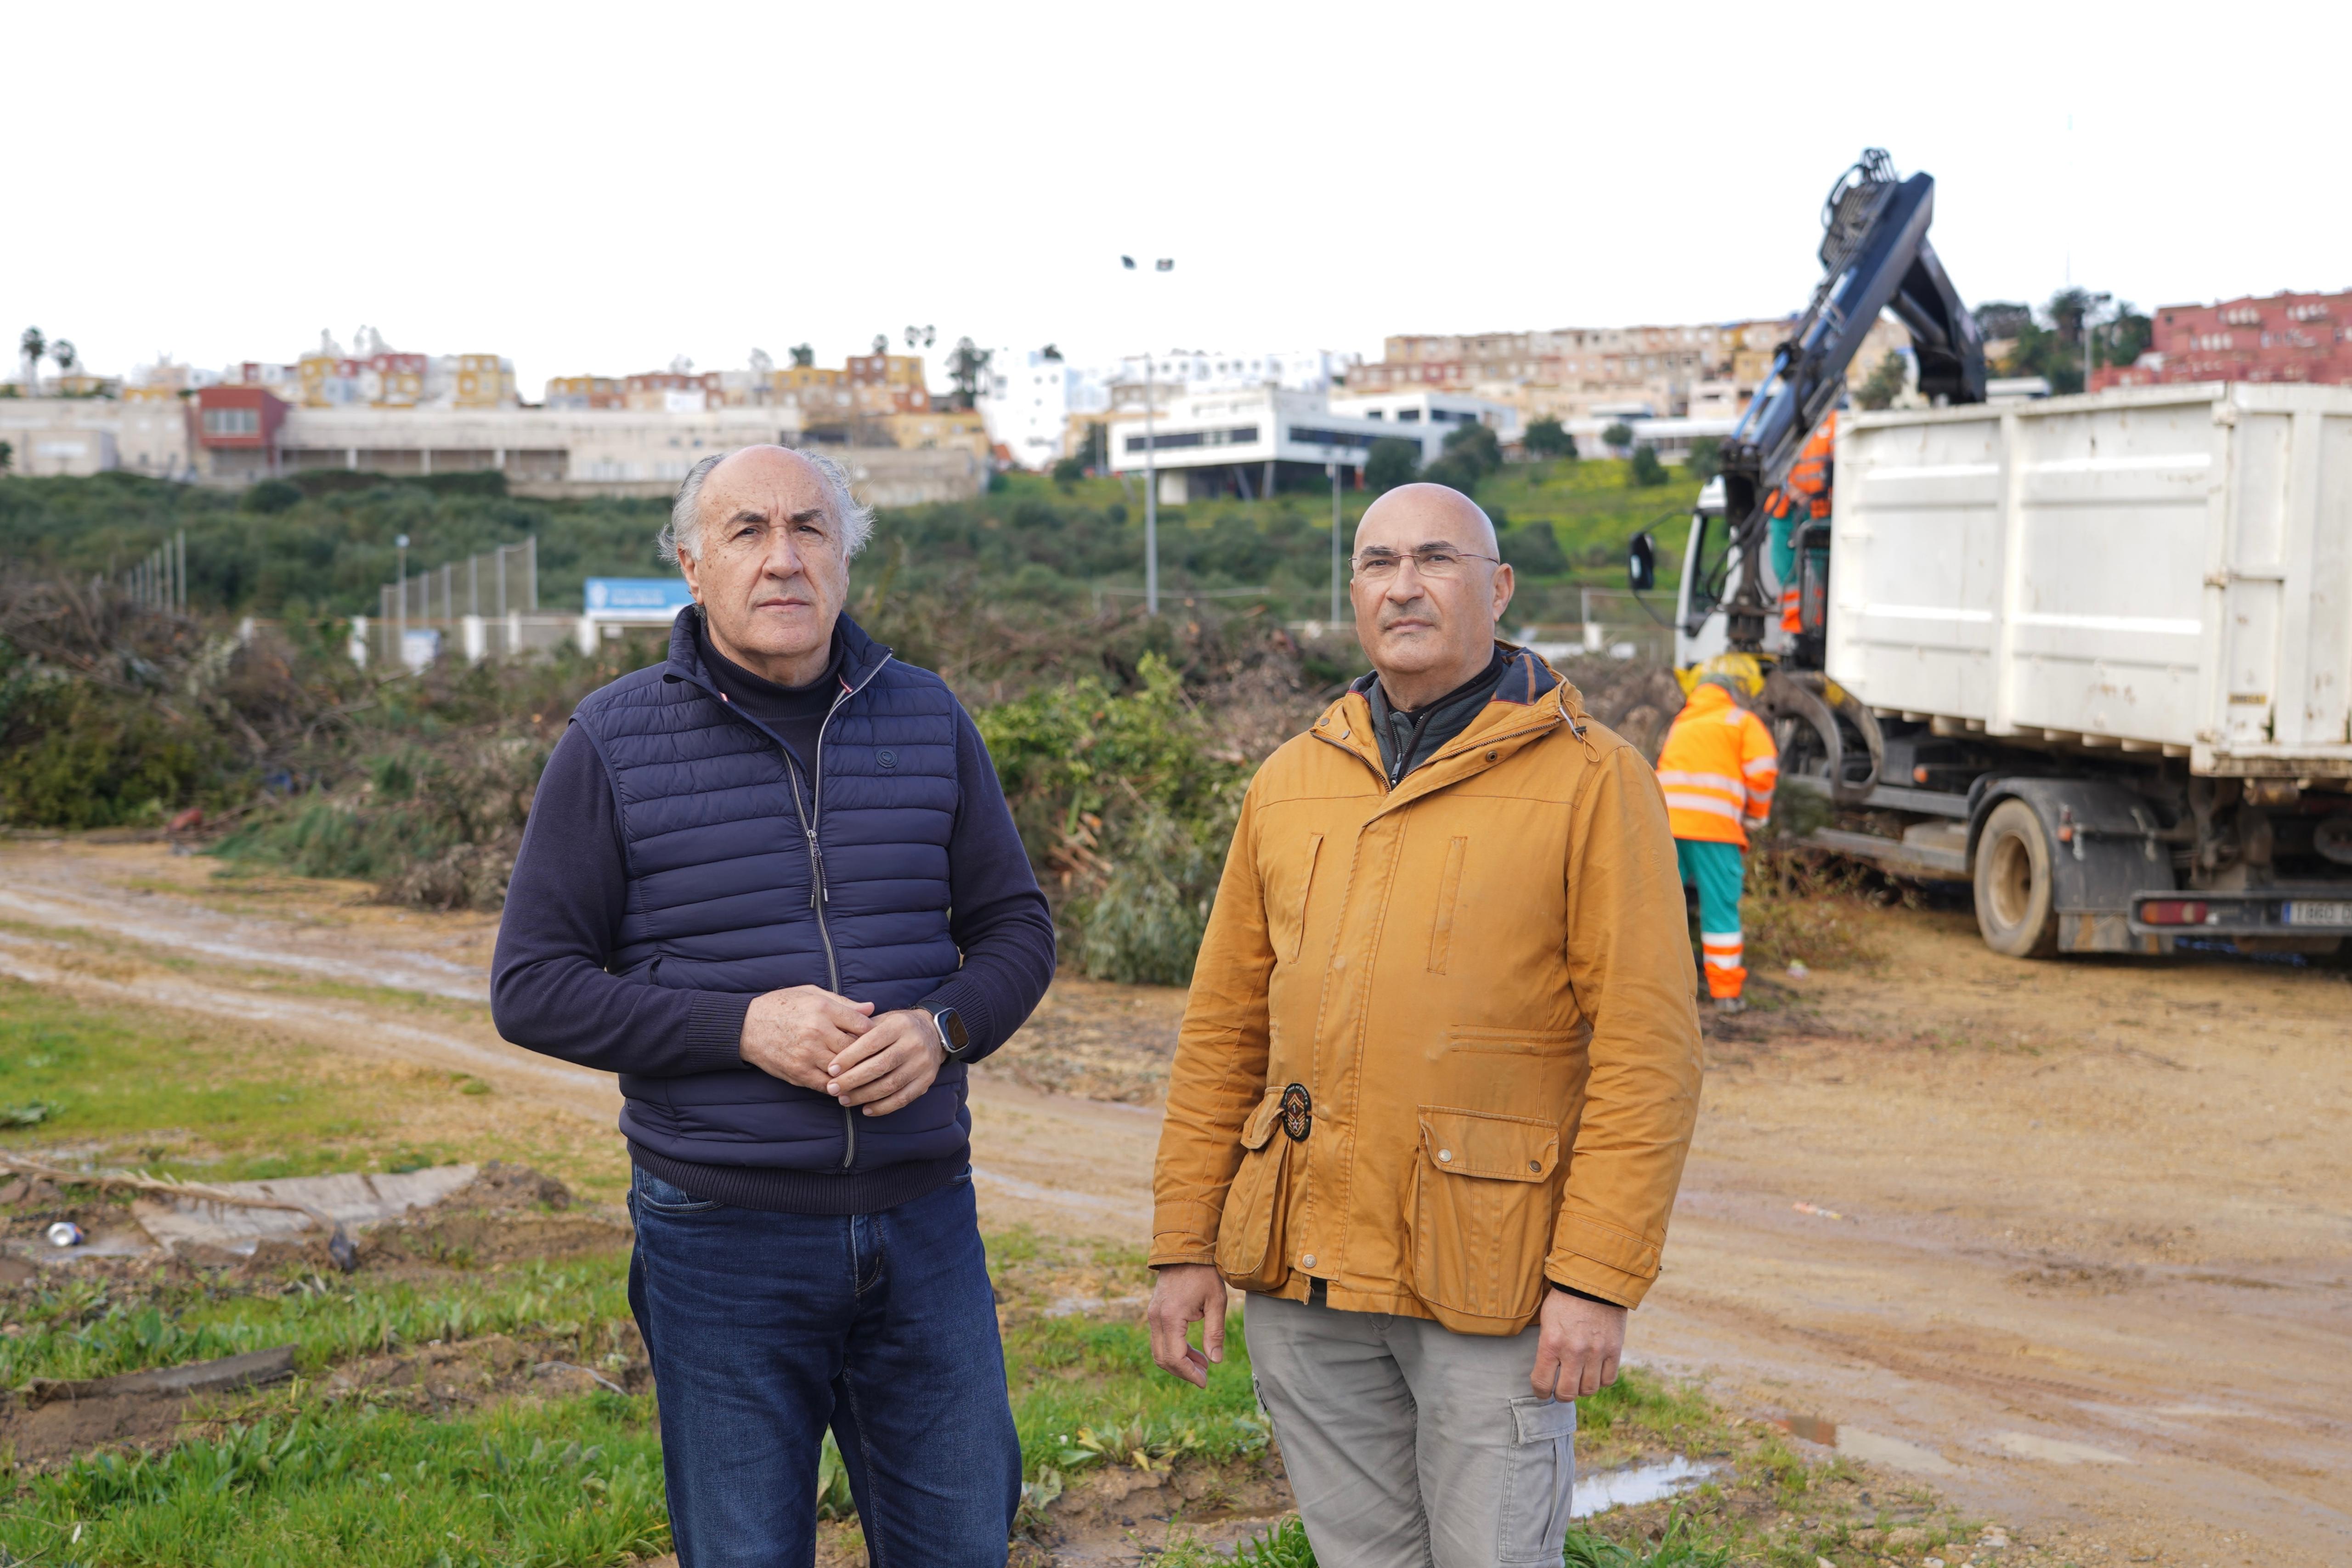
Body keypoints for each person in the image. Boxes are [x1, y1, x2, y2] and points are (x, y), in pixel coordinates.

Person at [491, 445, 1056, 1568]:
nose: (784, 557)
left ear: (845, 560)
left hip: (925, 1222)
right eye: (748, 532)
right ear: (693, 568)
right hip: (721, 1236)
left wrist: (941, 1029)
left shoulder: (927, 716)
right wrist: (740, 1025)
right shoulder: (612, 739)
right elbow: (532, 985)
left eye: (811, 530)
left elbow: (1016, 930)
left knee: (960, 1542)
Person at [1145, 483, 1704, 1568]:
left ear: (1496, 587)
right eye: (1377, 562)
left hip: (1486, 1283)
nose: (1403, 584)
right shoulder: (1291, 779)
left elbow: (1648, 1049)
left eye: (1436, 558)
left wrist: (1593, 1275)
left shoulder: (1595, 779)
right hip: (1305, 1279)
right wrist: (1184, 1245)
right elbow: (1222, 1033)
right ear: (1353, 593)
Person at [1654, 659, 1779, 1013]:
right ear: (1731, 692)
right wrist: (1756, 815)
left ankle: (1659, 992)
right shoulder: (1741, 721)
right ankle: (1725, 994)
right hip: (1715, 831)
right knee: (1719, 910)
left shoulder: (1683, 722)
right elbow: (1763, 770)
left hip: (1666, 827)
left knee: (1661, 910)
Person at [1765, 410, 1836, 634]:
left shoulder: (1833, 424)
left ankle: (1815, 630)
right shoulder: (1790, 422)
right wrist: (1793, 491)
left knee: (1822, 576)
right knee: (1789, 574)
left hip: (1820, 512)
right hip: (1791, 508)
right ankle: (1797, 631)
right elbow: (1775, 463)